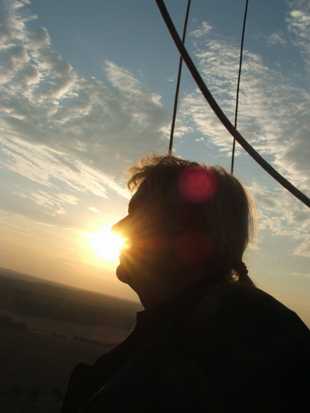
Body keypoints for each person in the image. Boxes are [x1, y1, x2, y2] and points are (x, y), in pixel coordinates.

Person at [62, 155, 310, 412]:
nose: (117, 228)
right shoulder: (240, 327)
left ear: (194, 241)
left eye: (140, 218)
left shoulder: (224, 349)